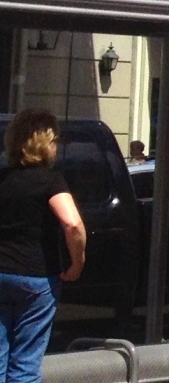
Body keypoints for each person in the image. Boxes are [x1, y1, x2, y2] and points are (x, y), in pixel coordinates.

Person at [0, 109, 85, 381]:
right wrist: (76, 263)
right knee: (25, 363)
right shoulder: (51, 181)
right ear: (45, 143)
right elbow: (72, 224)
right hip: (36, 278)